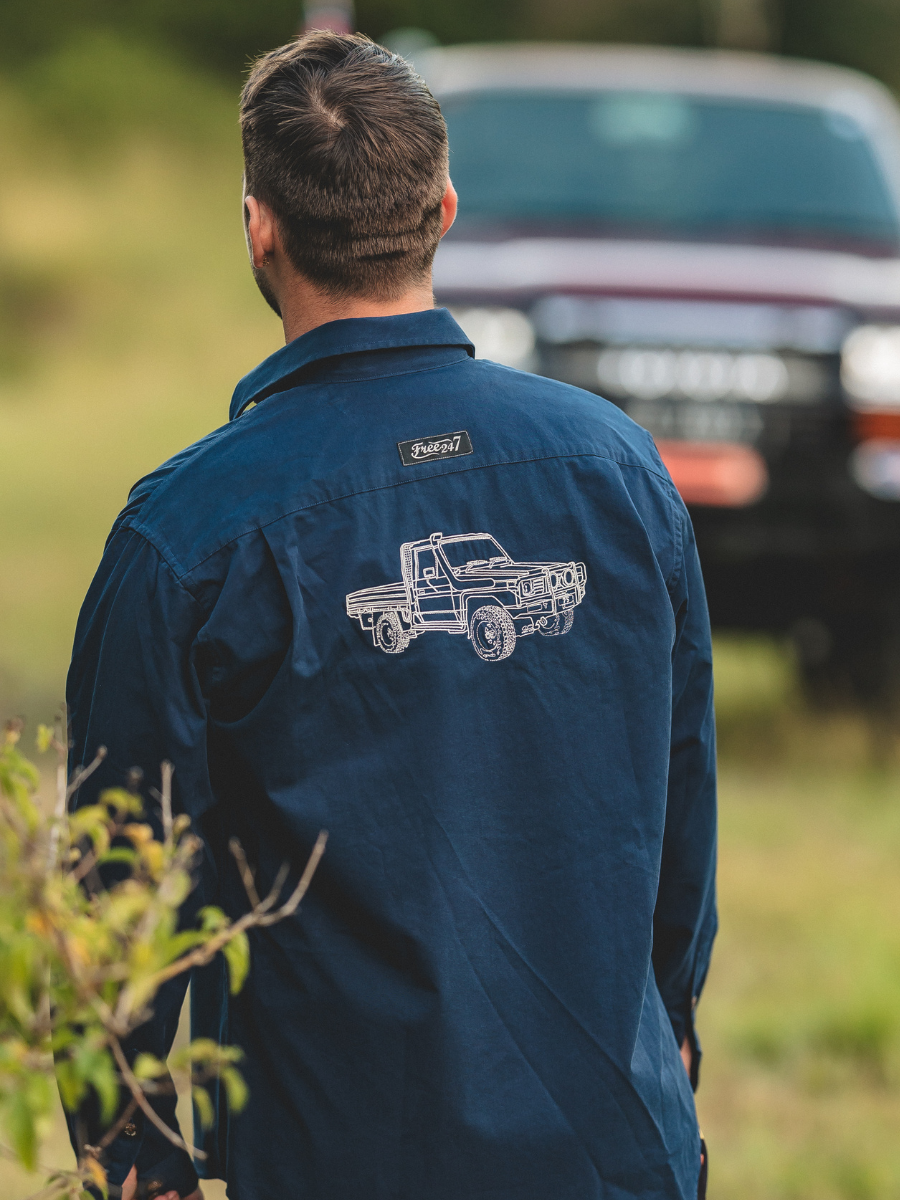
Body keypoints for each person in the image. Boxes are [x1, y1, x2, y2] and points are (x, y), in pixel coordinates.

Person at [63, 30, 717, 1200]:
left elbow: (115, 906)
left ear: (258, 227)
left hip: (332, 1159)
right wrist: (669, 1043)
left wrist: (135, 1166)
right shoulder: (619, 469)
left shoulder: (187, 534)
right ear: (443, 210)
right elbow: (684, 804)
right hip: (613, 1149)